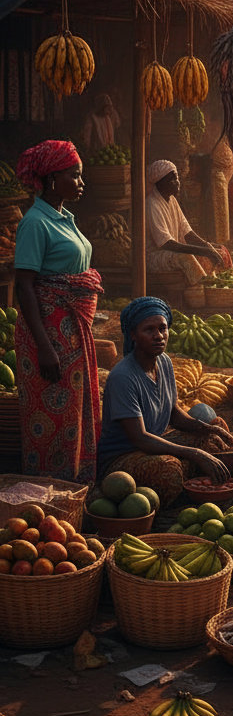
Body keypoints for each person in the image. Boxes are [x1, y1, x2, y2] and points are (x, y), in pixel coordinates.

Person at [13, 140, 103, 482]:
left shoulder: (64, 218)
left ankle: (75, 485)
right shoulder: (35, 223)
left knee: (73, 413)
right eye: (75, 175)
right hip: (49, 334)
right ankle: (48, 490)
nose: (81, 182)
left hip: (72, 330)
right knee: (51, 416)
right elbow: (24, 285)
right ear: (52, 179)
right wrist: (45, 346)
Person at [97, 298, 232, 505]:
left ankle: (192, 479)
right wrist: (195, 454)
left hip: (153, 445)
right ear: (133, 335)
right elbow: (140, 438)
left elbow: (174, 413)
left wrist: (207, 428)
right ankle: (184, 479)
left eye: (163, 328)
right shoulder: (123, 376)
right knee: (168, 470)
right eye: (149, 330)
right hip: (123, 457)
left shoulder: (164, 362)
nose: (158, 336)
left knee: (215, 433)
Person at [146, 161, 222, 287]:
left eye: (177, 178)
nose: (177, 182)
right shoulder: (152, 204)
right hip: (153, 257)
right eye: (172, 179)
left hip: (170, 252)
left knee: (218, 250)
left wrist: (208, 247)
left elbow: (188, 233)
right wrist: (204, 251)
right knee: (186, 258)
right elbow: (166, 243)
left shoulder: (172, 200)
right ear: (160, 182)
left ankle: (213, 284)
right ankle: (199, 289)